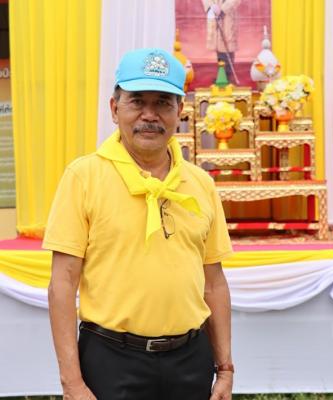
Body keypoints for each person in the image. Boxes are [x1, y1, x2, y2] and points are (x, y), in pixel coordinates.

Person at [44, 47, 234, 400]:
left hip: (191, 359)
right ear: (114, 109)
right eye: (136, 102)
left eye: (162, 103)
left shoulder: (200, 183)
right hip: (111, 359)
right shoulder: (83, 177)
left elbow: (214, 283)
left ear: (180, 111)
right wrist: (72, 383)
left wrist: (224, 368)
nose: (150, 115)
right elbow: (62, 284)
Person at [202, 0, 241, 83]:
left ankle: (228, 75)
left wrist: (223, 9)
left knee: (228, 45)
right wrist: (211, 7)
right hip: (214, 14)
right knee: (218, 46)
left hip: (228, 16)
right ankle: (222, 75)